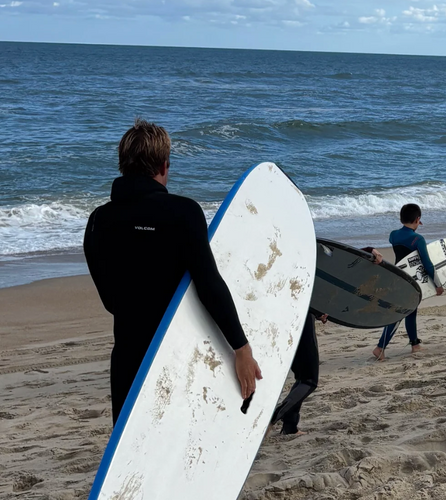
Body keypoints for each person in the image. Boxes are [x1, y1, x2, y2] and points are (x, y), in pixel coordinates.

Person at [83, 119, 261, 424]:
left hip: (128, 357)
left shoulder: (98, 220)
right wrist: (241, 347)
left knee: (131, 448)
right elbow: (209, 285)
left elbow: (111, 300)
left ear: (122, 165)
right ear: (165, 165)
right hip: (178, 352)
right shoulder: (184, 212)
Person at [271, 250, 383, 435]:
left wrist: (317, 310)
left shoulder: (280, 249)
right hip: (300, 315)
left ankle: (290, 427)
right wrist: (368, 251)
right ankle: (273, 418)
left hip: (281, 316)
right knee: (309, 380)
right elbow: (332, 260)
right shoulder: (301, 242)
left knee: (301, 376)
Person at [373, 204, 442, 361]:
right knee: (399, 313)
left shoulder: (393, 235)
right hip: (410, 281)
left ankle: (415, 345)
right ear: (418, 219)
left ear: (401, 218)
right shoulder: (418, 239)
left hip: (397, 276)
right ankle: (379, 348)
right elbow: (427, 264)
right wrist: (437, 284)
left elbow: (402, 243)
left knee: (411, 310)